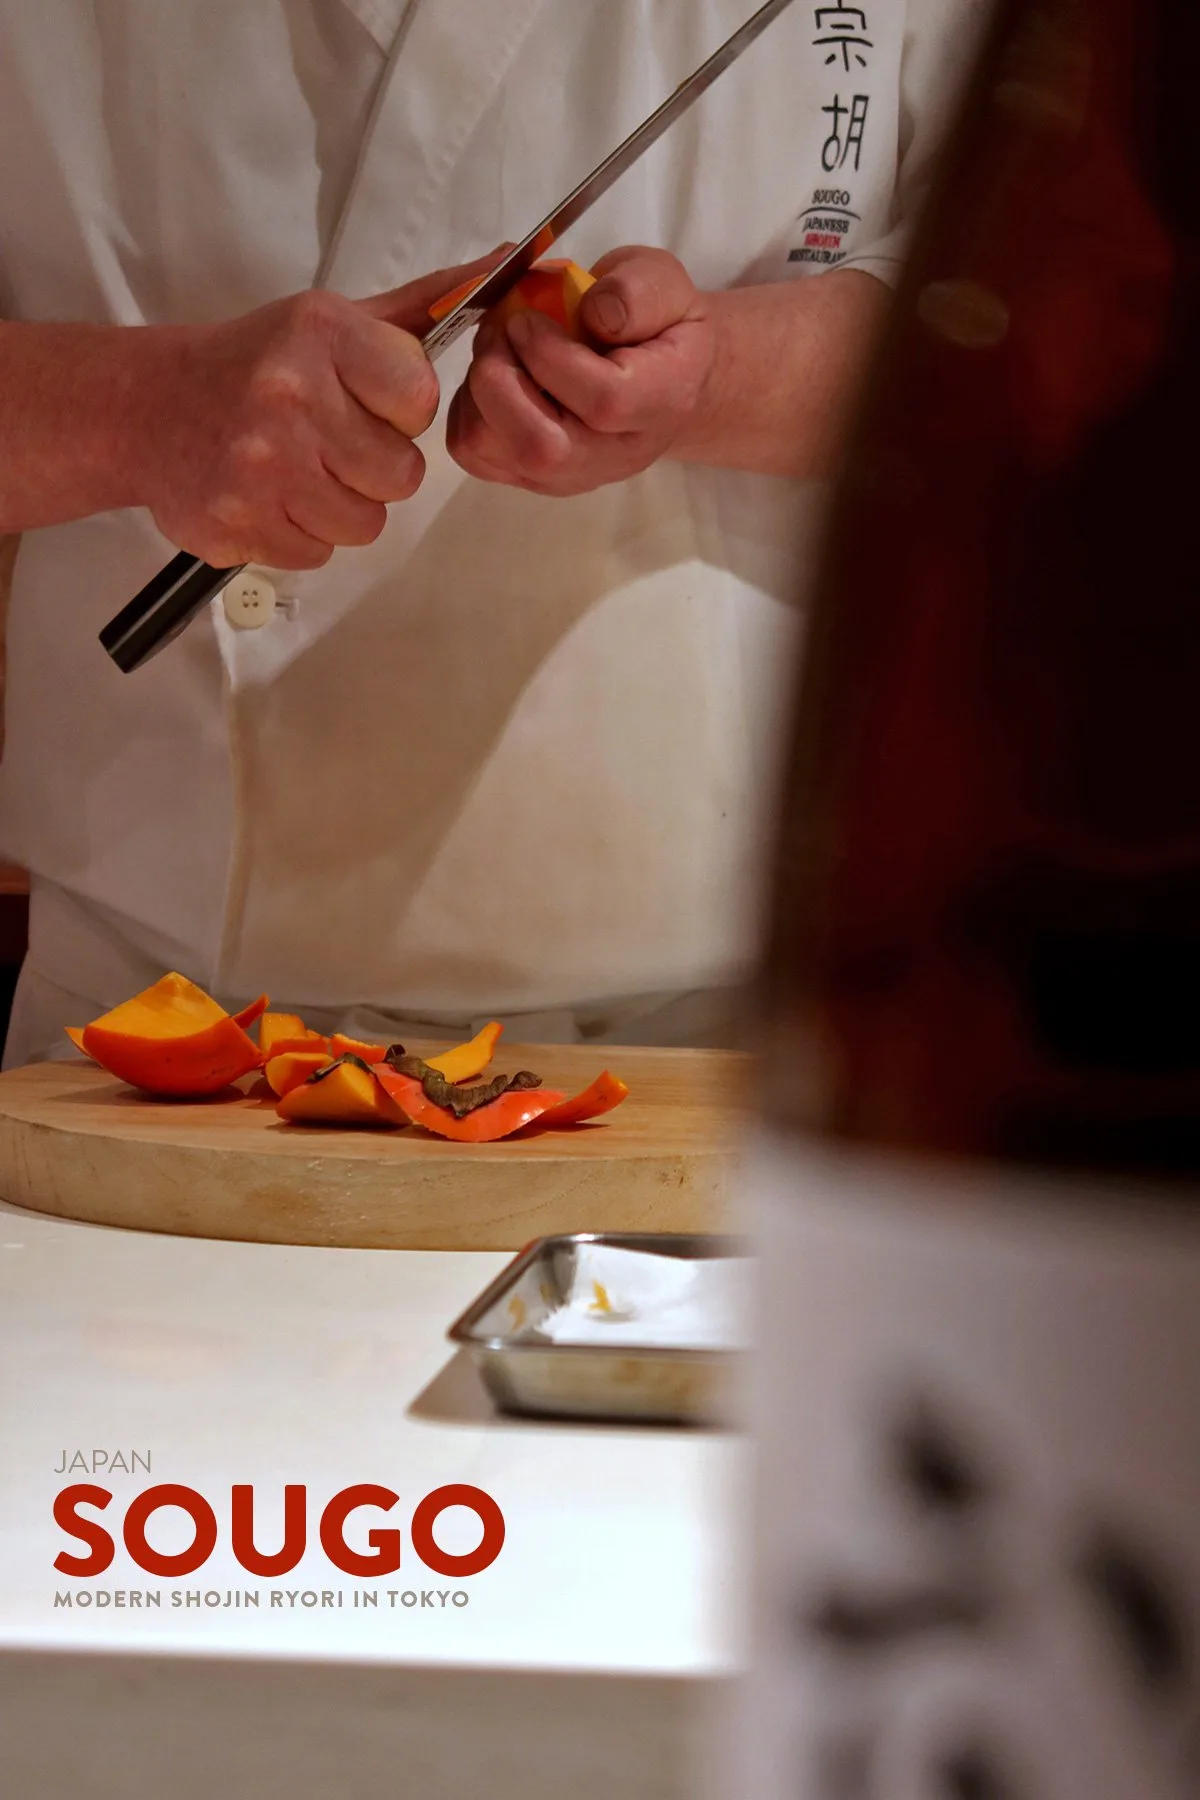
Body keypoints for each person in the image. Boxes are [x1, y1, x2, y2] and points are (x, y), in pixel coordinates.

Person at [0, 0, 982, 1065]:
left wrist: (718, 379)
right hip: (146, 1006)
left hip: (716, 1019)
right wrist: (130, 411)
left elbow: (1038, 312)